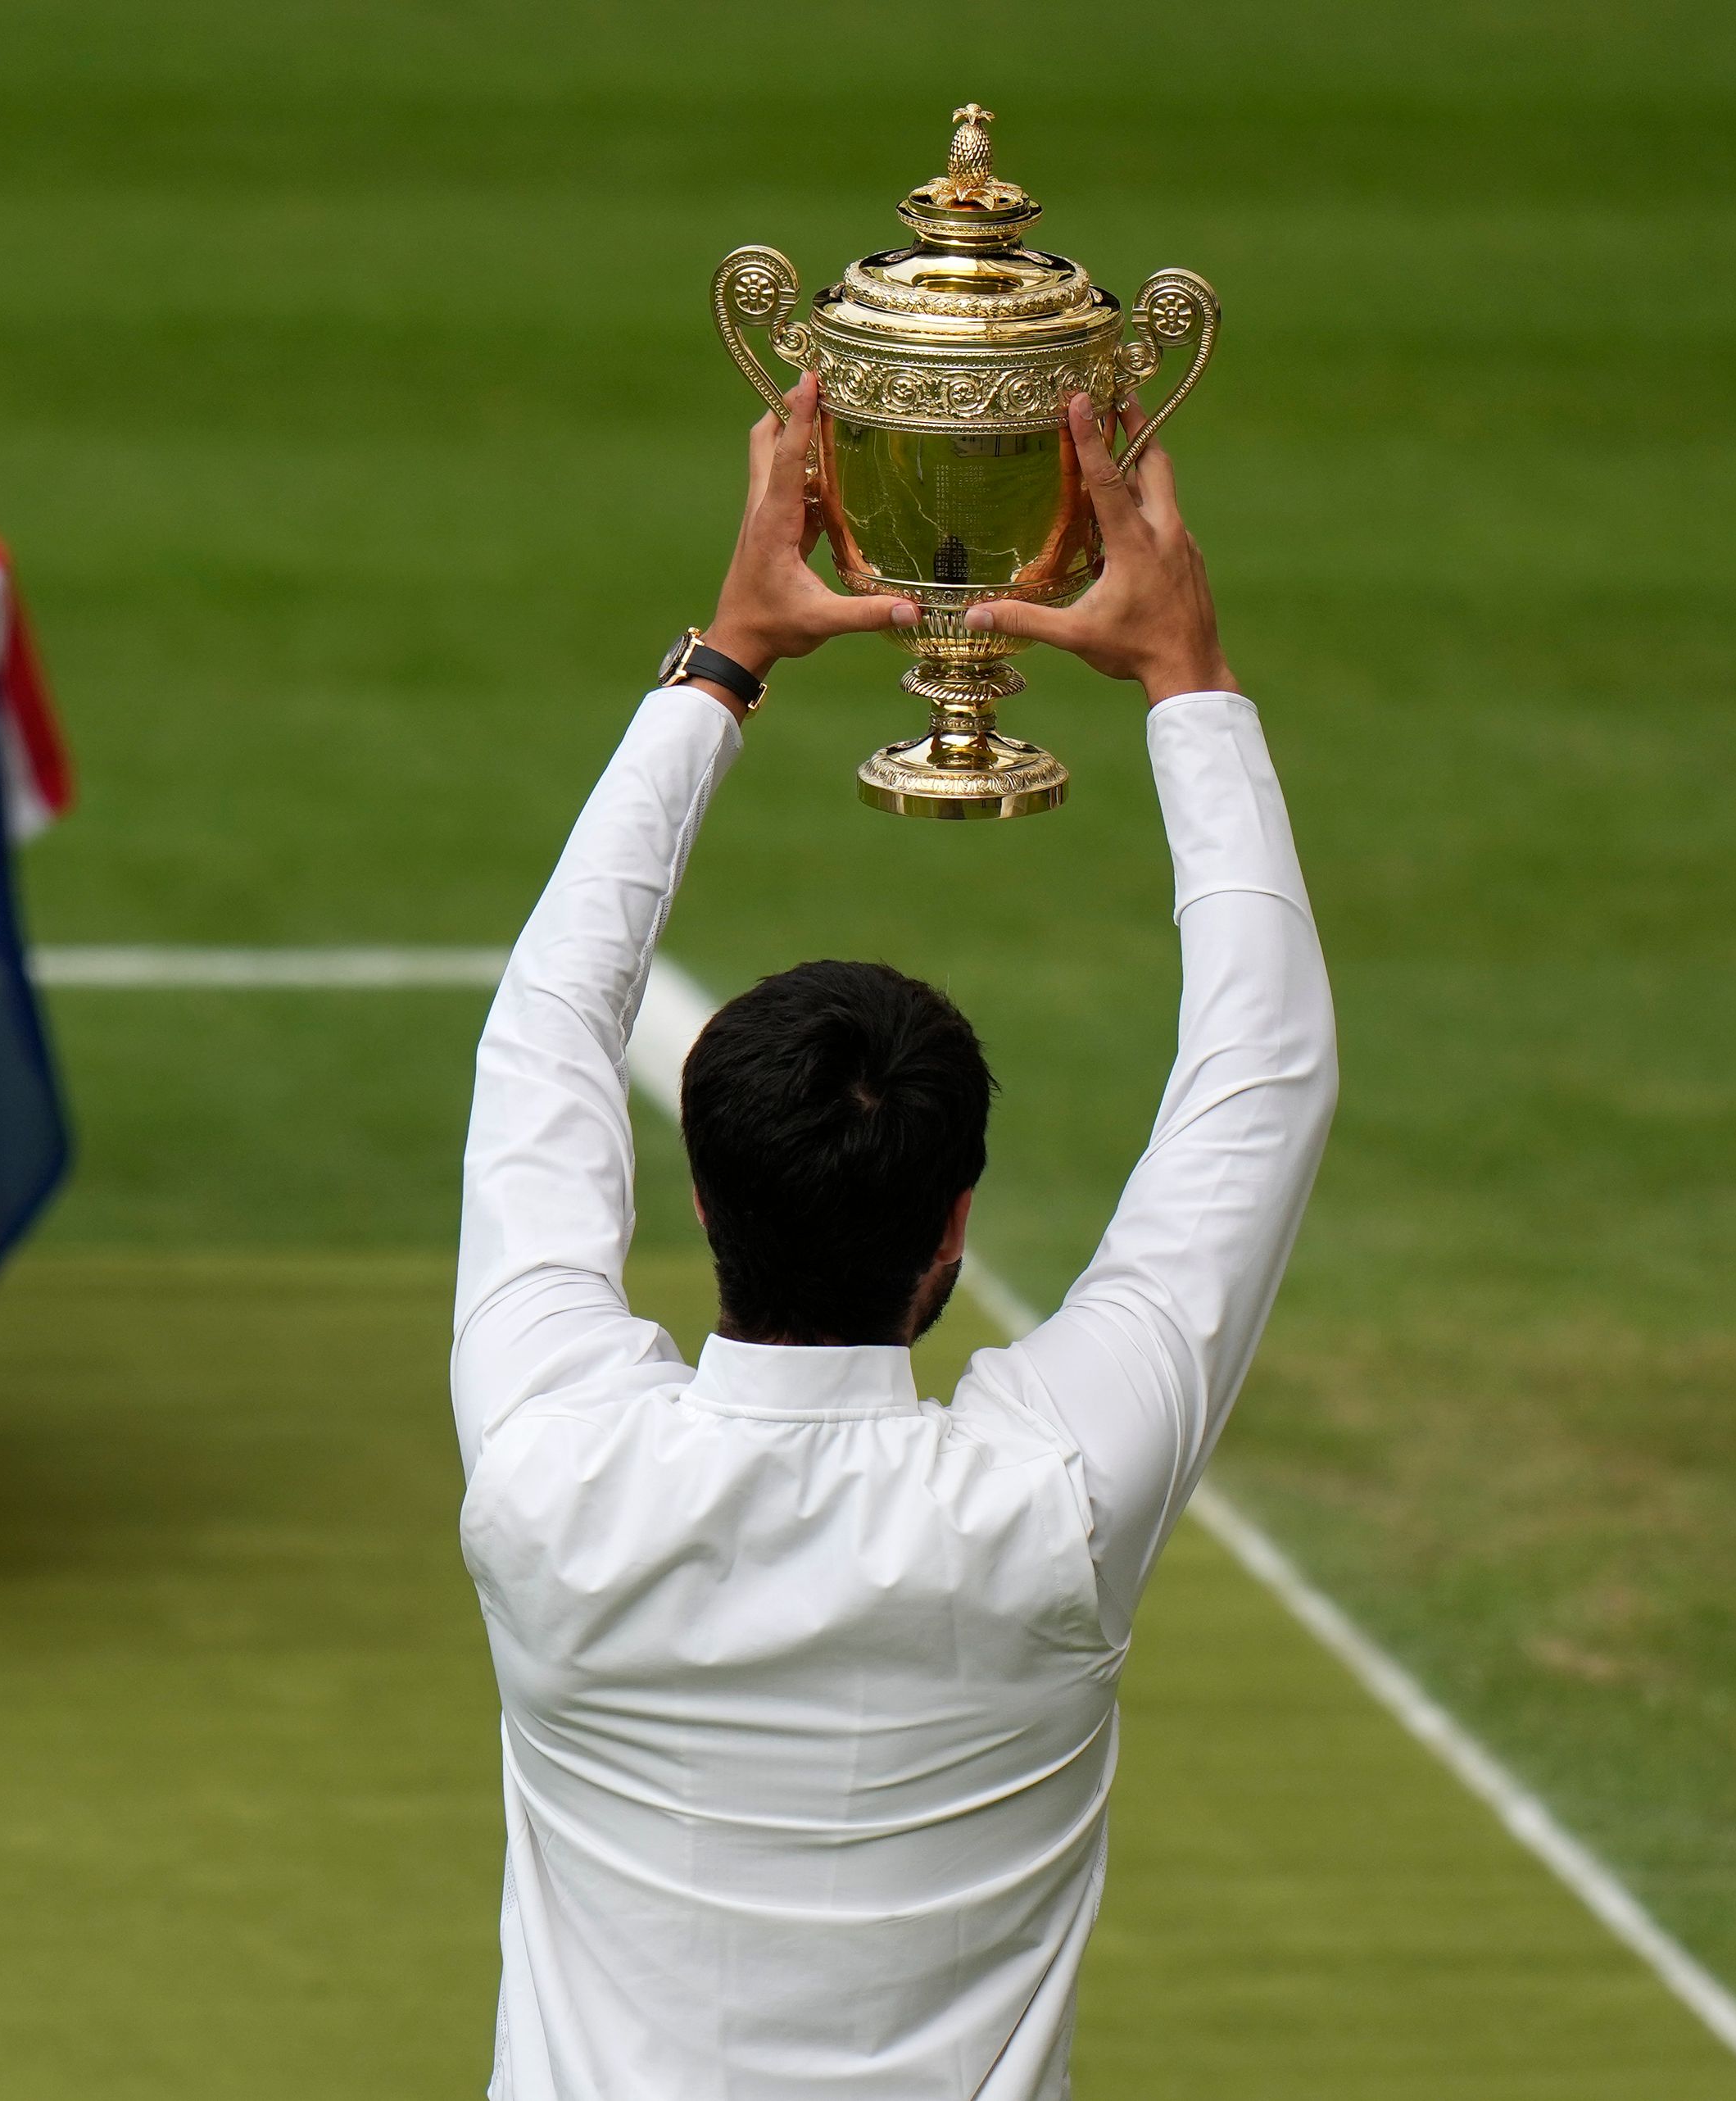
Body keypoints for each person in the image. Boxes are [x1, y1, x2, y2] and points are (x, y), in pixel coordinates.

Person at [454, 374, 1337, 2101]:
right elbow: (1265, 1081)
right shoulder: (1053, 1505)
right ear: (954, 1225)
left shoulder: (555, 1470)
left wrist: (724, 661)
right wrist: (1187, 681)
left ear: (702, 1198)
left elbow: (543, 1036)